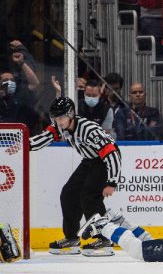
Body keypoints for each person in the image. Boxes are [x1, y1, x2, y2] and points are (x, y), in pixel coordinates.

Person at [29, 97, 122, 256]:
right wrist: (23, 145)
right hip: (89, 160)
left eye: (61, 117)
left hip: (102, 162)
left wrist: (112, 182)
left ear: (71, 115)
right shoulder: (62, 126)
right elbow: (43, 139)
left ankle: (104, 239)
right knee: (68, 194)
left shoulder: (89, 130)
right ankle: (72, 238)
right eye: (55, 118)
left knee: (89, 196)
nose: (58, 121)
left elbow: (112, 153)